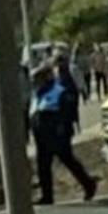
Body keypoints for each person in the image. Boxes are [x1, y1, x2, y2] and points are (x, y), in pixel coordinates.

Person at [30, 62, 96, 205]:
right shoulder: (38, 93)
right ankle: (47, 196)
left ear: (47, 77)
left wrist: (63, 130)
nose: (36, 82)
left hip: (56, 133)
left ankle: (88, 184)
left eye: (38, 79)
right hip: (42, 134)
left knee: (68, 160)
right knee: (43, 165)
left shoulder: (59, 91)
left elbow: (65, 113)